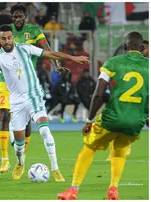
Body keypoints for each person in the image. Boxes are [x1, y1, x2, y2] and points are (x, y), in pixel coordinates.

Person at [0, 24, 90, 181]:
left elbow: (51, 53)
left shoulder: (25, 48)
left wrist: (73, 58)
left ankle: (55, 169)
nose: (7, 41)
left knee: (44, 131)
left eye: (9, 37)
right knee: (19, 143)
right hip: (16, 102)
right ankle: (20, 163)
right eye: (4, 38)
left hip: (34, 96)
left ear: (13, 37)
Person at [0, 4, 68, 179]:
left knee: (30, 127)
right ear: (11, 17)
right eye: (14, 16)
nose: (17, 19)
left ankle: (36, 163)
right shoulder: (7, 33)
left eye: (20, 16)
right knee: (4, 114)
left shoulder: (34, 31)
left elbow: (48, 51)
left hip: (28, 82)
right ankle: (6, 159)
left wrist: (57, 66)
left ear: (26, 16)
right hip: (5, 81)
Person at [57, 32, 149, 200]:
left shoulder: (112, 63)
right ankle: (113, 188)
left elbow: (98, 94)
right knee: (120, 152)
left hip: (112, 118)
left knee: (89, 146)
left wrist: (89, 120)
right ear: (143, 48)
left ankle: (73, 190)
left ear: (125, 47)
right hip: (135, 122)